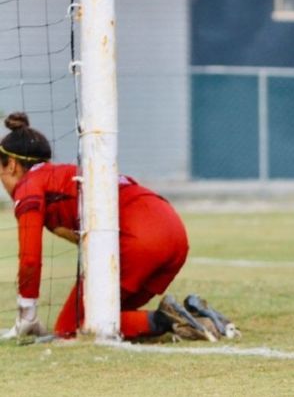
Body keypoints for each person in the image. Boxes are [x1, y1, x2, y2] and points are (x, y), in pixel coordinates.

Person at [0, 113, 236, 342]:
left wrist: (27, 313)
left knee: (72, 327)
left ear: (11, 165)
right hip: (173, 230)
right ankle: (202, 319)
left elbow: (30, 259)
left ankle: (165, 319)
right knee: (109, 314)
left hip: (140, 237)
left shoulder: (29, 185)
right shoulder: (65, 175)